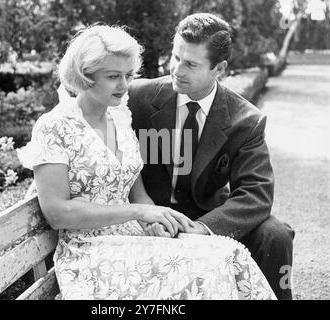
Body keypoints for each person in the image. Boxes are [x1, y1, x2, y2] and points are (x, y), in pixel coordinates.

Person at [17, 24, 276, 300]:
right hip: (90, 253)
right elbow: (57, 213)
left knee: (230, 254)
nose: (124, 86)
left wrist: (155, 222)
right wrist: (138, 214)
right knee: (209, 267)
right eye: (113, 76)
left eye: (128, 75)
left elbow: (139, 196)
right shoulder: (54, 126)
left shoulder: (120, 118)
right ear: (85, 75)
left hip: (136, 239)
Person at [128, 13, 295, 300]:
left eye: (191, 64)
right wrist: (146, 215)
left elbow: (256, 193)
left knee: (276, 235)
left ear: (220, 68)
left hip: (207, 217)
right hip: (146, 213)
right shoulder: (136, 97)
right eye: (175, 57)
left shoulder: (246, 120)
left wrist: (203, 229)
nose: (177, 70)